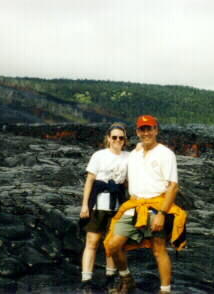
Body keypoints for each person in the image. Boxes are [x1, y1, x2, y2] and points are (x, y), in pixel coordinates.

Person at [104, 115, 187, 294]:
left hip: (157, 206)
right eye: (142, 129)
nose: (146, 132)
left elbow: (173, 186)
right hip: (134, 205)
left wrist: (162, 214)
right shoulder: (135, 153)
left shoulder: (166, 154)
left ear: (156, 130)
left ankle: (165, 290)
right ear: (137, 132)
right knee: (113, 245)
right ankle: (127, 279)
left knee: (158, 250)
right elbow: (115, 158)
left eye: (150, 128)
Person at [79, 122, 130, 292]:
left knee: (112, 244)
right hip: (98, 204)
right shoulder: (99, 155)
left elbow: (131, 181)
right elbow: (90, 181)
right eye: (114, 137)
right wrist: (85, 205)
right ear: (108, 138)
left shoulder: (130, 157)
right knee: (92, 242)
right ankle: (86, 281)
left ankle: (110, 279)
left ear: (125, 140)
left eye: (121, 138)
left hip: (118, 206)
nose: (117, 140)